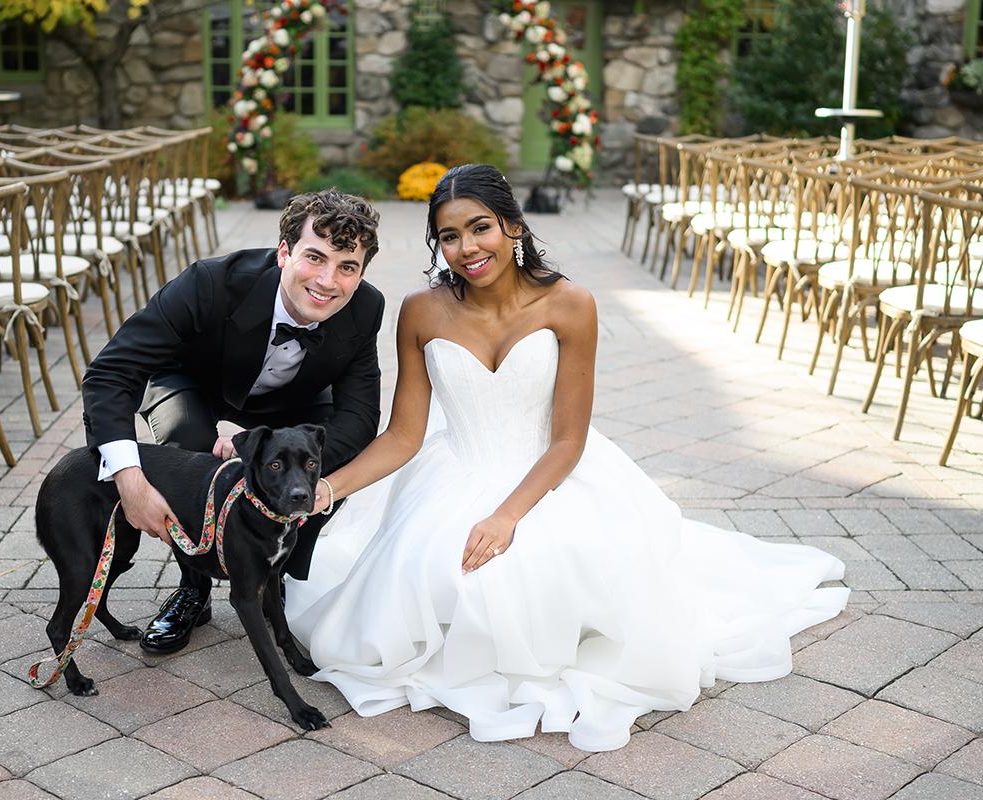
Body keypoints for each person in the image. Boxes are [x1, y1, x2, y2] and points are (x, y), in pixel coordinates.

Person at [287, 164, 849, 752]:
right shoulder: (422, 311)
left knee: (534, 570)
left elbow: (567, 441)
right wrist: (330, 489)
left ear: (513, 227)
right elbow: (404, 435)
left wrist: (507, 516)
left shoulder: (571, 304)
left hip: (550, 476)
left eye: (480, 228)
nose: (466, 248)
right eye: (449, 236)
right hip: (453, 473)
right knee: (430, 572)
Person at [81, 189, 384, 654]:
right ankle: (193, 588)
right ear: (284, 252)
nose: (328, 281)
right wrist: (127, 477)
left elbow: (360, 415)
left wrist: (273, 453)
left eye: (347, 267)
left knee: (324, 461)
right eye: (314, 258)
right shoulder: (210, 283)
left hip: (294, 405)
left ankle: (273, 579)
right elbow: (112, 371)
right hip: (194, 384)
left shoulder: (366, 308)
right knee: (189, 443)